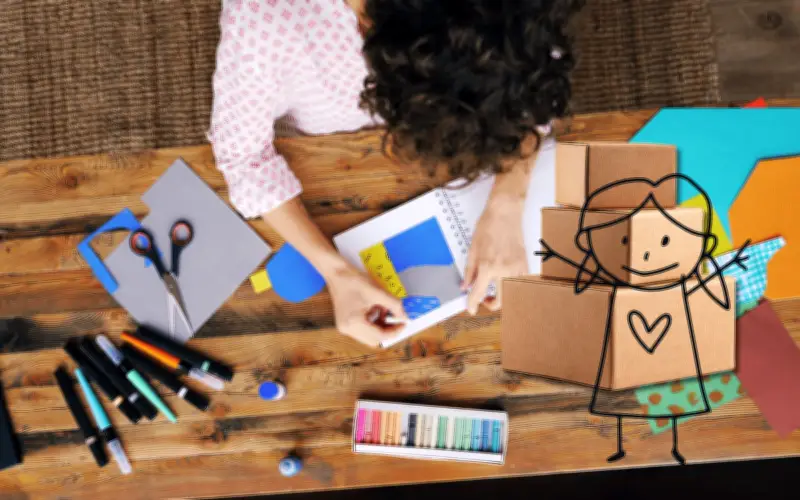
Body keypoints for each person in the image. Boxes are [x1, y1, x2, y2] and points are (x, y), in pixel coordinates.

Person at [209, 0, 583, 347]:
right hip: (327, 152)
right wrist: (336, 273)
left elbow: (533, 73)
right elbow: (243, 157)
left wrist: (508, 201)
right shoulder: (264, 20)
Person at [537, 175, 749, 465]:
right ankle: (622, 444)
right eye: (624, 240)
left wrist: (726, 267)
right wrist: (558, 256)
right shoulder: (614, 284)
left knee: (669, 392)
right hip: (625, 346)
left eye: (665, 241)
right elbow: (580, 287)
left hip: (670, 349)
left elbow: (714, 295)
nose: (646, 254)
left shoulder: (679, 283)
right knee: (620, 395)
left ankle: (672, 444)